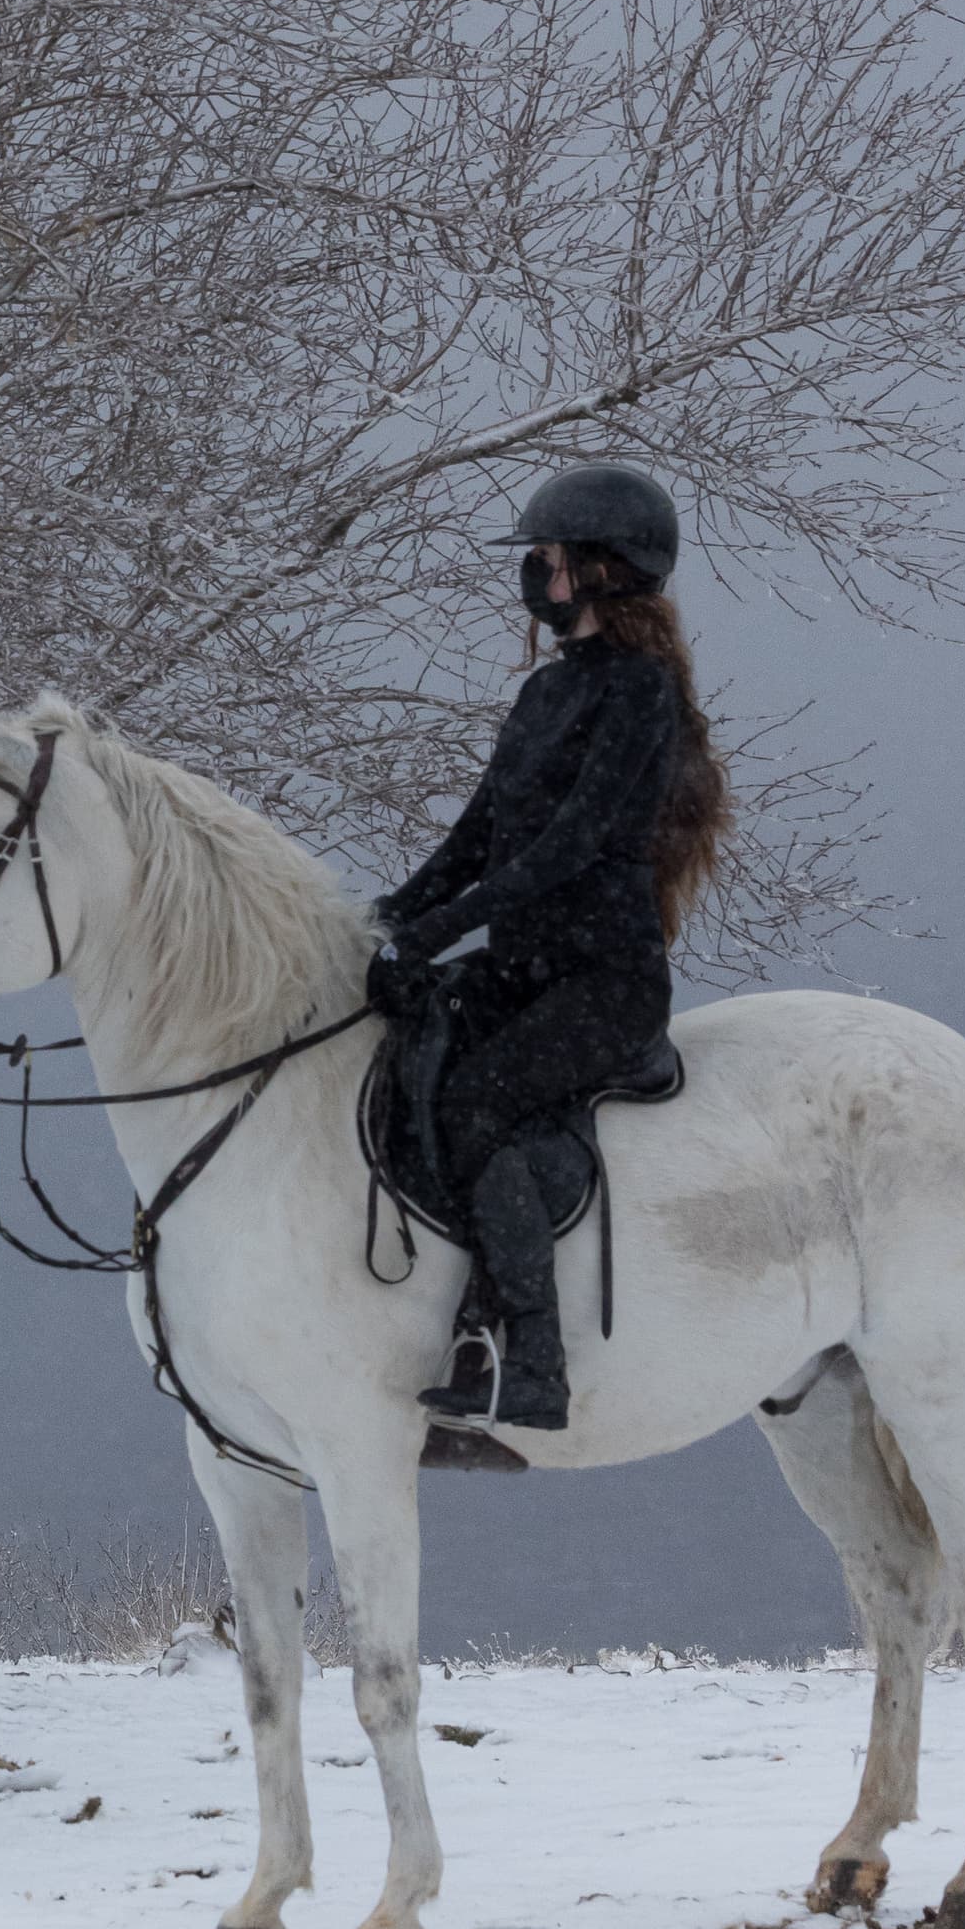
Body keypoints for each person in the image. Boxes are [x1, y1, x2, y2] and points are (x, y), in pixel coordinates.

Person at [367, 460, 731, 1434]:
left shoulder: (641, 696)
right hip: (522, 969)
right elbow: (478, 836)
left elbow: (572, 848)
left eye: (548, 557)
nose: (533, 573)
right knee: (404, 1054)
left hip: (600, 983)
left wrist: (447, 929)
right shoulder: (542, 695)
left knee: (483, 1098)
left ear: (605, 569)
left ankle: (533, 1362)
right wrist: (391, 920)